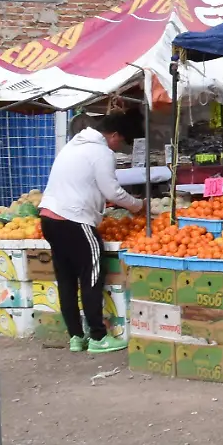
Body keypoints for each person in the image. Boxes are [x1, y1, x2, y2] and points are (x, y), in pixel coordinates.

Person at [40, 114, 145, 354]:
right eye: (121, 142)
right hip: (75, 220)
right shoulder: (101, 152)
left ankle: (76, 337)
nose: (118, 148)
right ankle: (98, 337)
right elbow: (113, 192)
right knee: (92, 277)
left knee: (66, 280)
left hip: (49, 217)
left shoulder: (72, 146)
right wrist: (139, 206)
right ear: (114, 135)